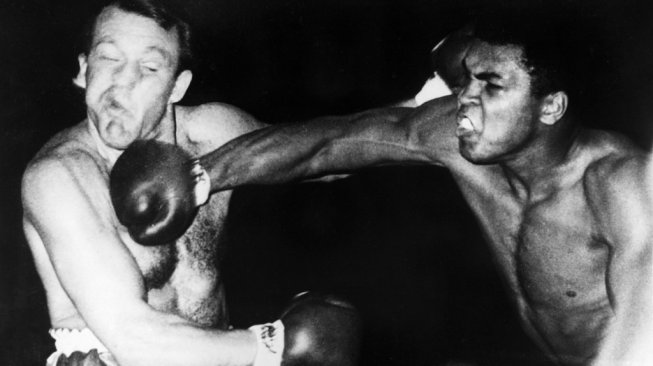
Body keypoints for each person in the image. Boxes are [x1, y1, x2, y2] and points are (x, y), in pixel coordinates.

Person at [118, 10, 653, 366]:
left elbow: (642, 315)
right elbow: (331, 141)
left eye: (490, 86)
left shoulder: (620, 183)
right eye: (466, 80)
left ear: (551, 107)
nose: (465, 99)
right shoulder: (456, 135)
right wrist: (202, 175)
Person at [21, 1, 361, 365]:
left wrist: (422, 104)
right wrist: (274, 345)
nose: (124, 80)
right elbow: (134, 337)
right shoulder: (59, 177)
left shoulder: (213, 134)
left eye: (149, 67)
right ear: (83, 70)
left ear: (176, 87)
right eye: (109, 58)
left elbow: (321, 155)